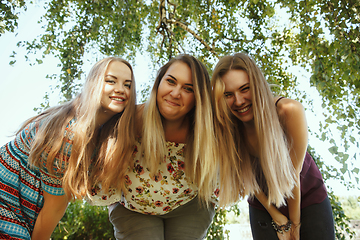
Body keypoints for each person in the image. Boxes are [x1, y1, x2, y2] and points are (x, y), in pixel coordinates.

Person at [0, 57, 137, 240]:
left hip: (21, 213)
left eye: (127, 84)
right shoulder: (69, 132)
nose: (120, 89)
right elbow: (53, 209)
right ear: (93, 84)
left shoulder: (100, 133)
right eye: (110, 81)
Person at [92, 54, 218, 240]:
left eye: (188, 89)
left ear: (198, 98)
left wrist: (279, 104)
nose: (175, 93)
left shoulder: (205, 130)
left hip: (189, 207)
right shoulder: (129, 119)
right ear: (158, 83)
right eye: (170, 82)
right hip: (133, 209)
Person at [211, 52, 335, 240]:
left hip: (306, 196)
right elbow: (247, 178)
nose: (238, 101)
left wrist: (294, 226)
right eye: (228, 94)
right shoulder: (226, 127)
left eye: (245, 89)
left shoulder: (288, 111)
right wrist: (277, 218)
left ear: (257, 85)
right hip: (263, 203)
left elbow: (293, 176)